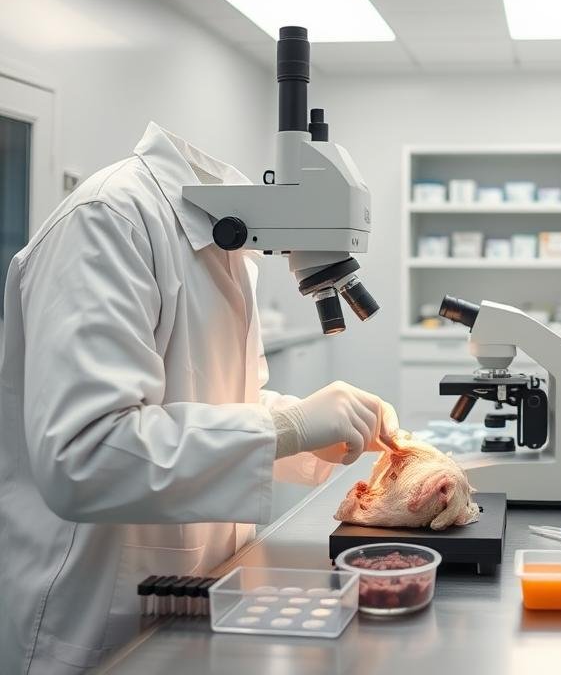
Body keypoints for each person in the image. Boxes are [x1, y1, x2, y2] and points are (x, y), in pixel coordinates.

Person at [0, 122, 399, 674]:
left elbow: (226, 404)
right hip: (94, 616)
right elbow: (85, 453)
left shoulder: (226, 249)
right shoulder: (107, 220)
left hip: (198, 595)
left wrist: (316, 433)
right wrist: (289, 429)